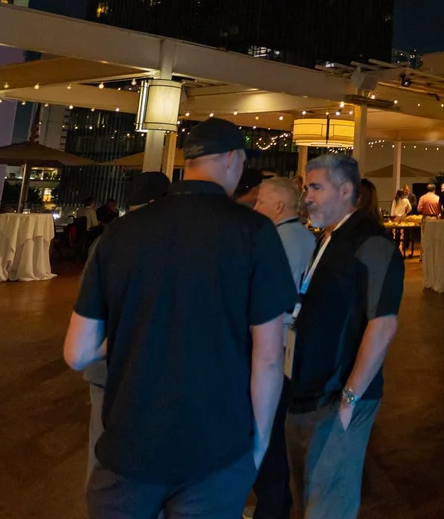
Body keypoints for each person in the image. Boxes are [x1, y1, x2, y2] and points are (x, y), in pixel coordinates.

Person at [64, 119, 294, 519]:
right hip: (215, 449)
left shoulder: (120, 232)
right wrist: (257, 447)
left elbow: (77, 353)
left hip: (128, 446)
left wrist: (130, 333)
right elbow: (269, 357)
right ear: (232, 158)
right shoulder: (254, 231)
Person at [288, 154, 405, 519]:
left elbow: (383, 324)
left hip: (337, 395)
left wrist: (349, 399)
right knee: (306, 499)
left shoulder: (371, 243)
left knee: (328, 506)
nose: (307, 197)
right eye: (307, 188)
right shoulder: (328, 238)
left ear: (345, 190)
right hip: (308, 391)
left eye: (316, 188)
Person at [79, 171, 169, 486]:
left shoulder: (107, 240)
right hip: (146, 364)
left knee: (101, 447)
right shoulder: (166, 244)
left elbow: (87, 304)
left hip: (103, 365)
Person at [248, 175, 317, 519]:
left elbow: (270, 299)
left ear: (278, 206)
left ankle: (272, 506)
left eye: (261, 201)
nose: (256, 206)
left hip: (275, 342)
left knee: (267, 426)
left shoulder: (276, 241)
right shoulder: (308, 238)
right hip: (296, 343)